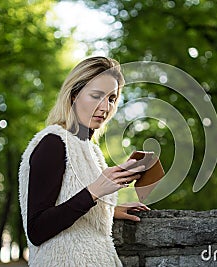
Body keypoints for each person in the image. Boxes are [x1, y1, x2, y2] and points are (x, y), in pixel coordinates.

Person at [18, 56, 149, 266]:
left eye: (111, 98)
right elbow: (36, 229)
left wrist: (108, 212)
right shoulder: (52, 142)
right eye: (96, 96)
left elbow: (69, 206)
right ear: (74, 95)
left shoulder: (92, 152)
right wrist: (95, 191)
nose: (105, 107)